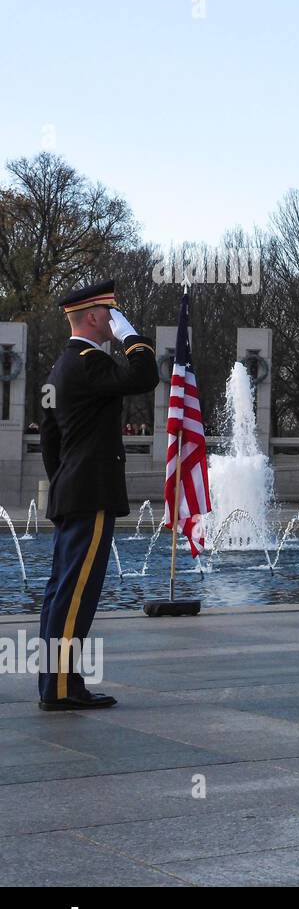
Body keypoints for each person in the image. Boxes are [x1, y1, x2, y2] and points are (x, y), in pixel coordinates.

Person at [37, 279, 158, 710]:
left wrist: (66, 479)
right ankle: (63, 690)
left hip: (72, 490)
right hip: (90, 493)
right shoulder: (88, 361)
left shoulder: (60, 367)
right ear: (92, 316)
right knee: (76, 593)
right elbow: (145, 375)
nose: (113, 318)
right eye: (109, 313)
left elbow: (50, 440)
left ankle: (56, 685)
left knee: (60, 591)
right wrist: (131, 337)